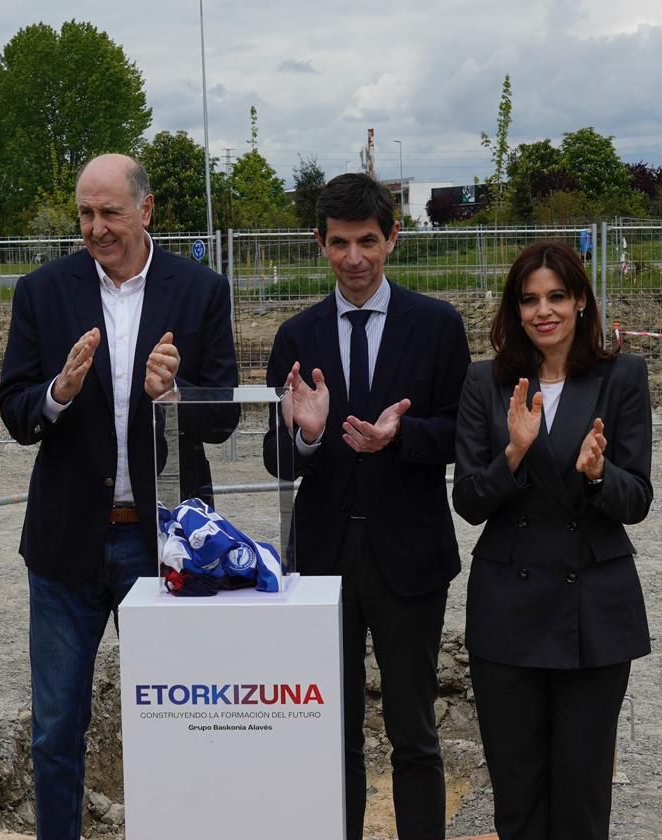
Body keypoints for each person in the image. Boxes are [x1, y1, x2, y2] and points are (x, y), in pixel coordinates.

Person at [0, 153, 238, 840]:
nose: (96, 228)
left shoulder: (200, 291)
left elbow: (222, 419)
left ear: (147, 209)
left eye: (110, 212)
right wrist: (58, 393)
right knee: (54, 731)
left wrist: (178, 396)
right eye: (85, 214)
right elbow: (17, 412)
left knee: (179, 720)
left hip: (164, 545)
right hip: (66, 543)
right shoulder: (42, 291)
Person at [262, 173, 470, 840]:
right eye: (341, 243)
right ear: (320, 244)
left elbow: (463, 433)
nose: (355, 258)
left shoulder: (437, 327)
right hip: (322, 559)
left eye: (369, 242)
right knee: (333, 732)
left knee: (414, 732)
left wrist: (400, 436)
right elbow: (277, 458)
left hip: (408, 558)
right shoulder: (296, 336)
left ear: (393, 239)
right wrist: (308, 434)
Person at [451, 240, 653, 840]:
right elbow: (468, 501)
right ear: (515, 310)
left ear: (582, 301)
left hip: (593, 609)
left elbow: (637, 498)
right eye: (530, 299)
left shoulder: (623, 377)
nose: (544, 311)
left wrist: (597, 474)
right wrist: (513, 453)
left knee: (583, 793)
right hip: (508, 612)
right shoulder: (484, 382)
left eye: (557, 297)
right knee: (516, 792)